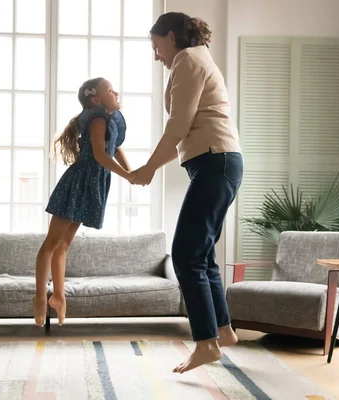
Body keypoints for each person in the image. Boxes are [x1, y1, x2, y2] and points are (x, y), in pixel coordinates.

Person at [132, 12, 244, 373]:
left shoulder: (188, 59)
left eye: (155, 46)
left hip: (215, 162)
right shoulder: (196, 59)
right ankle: (222, 331)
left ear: (170, 35)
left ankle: (206, 343)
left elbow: (179, 123)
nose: (155, 55)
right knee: (203, 254)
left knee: (185, 255)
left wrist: (149, 167)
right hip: (217, 163)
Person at [32, 77, 131, 327]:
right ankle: (39, 299)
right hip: (79, 182)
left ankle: (59, 296)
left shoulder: (109, 121)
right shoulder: (97, 119)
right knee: (51, 244)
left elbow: (115, 148)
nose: (116, 92)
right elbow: (99, 154)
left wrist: (133, 174)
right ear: (95, 99)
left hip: (92, 183)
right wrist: (128, 175)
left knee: (63, 245)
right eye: (110, 90)